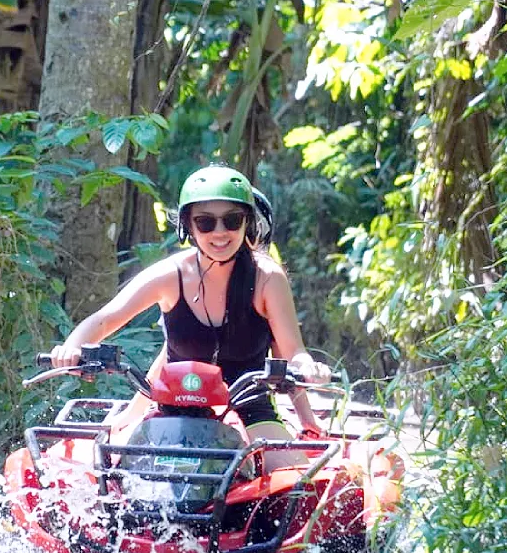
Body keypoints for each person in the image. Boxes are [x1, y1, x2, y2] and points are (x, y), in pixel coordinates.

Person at [49, 164, 331, 471]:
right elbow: (105, 319)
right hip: (174, 407)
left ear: (247, 223)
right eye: (206, 222)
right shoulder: (170, 275)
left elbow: (293, 351)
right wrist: (72, 347)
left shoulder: (267, 278)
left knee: (296, 482)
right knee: (110, 471)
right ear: (189, 227)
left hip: (251, 405)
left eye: (232, 220)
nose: (220, 232)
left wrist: (309, 368)